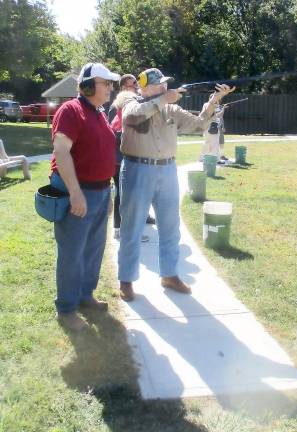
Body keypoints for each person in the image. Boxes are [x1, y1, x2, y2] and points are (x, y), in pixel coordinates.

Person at [117, 67, 235, 301]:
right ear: (144, 86)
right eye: (159, 84)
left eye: (164, 84)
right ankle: (126, 280)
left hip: (167, 169)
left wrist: (214, 100)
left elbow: (200, 124)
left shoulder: (171, 107)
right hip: (137, 169)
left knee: (171, 227)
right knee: (132, 228)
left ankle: (169, 274)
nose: (164, 87)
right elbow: (133, 117)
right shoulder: (131, 102)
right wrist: (162, 99)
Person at [50, 62, 120, 331]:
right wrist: (75, 193)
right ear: (88, 85)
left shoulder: (99, 112)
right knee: (72, 252)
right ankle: (66, 310)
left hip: (101, 191)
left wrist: (108, 191)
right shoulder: (71, 110)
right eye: (106, 83)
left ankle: (84, 295)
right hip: (79, 192)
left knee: (93, 249)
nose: (110, 88)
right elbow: (62, 152)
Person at [108, 74, 151, 242]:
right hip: (120, 158)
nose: (136, 86)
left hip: (131, 156)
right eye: (133, 84)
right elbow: (113, 132)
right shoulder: (116, 106)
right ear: (124, 88)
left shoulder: (137, 103)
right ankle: (122, 229)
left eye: (136, 83)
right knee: (124, 194)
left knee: (132, 194)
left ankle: (126, 228)